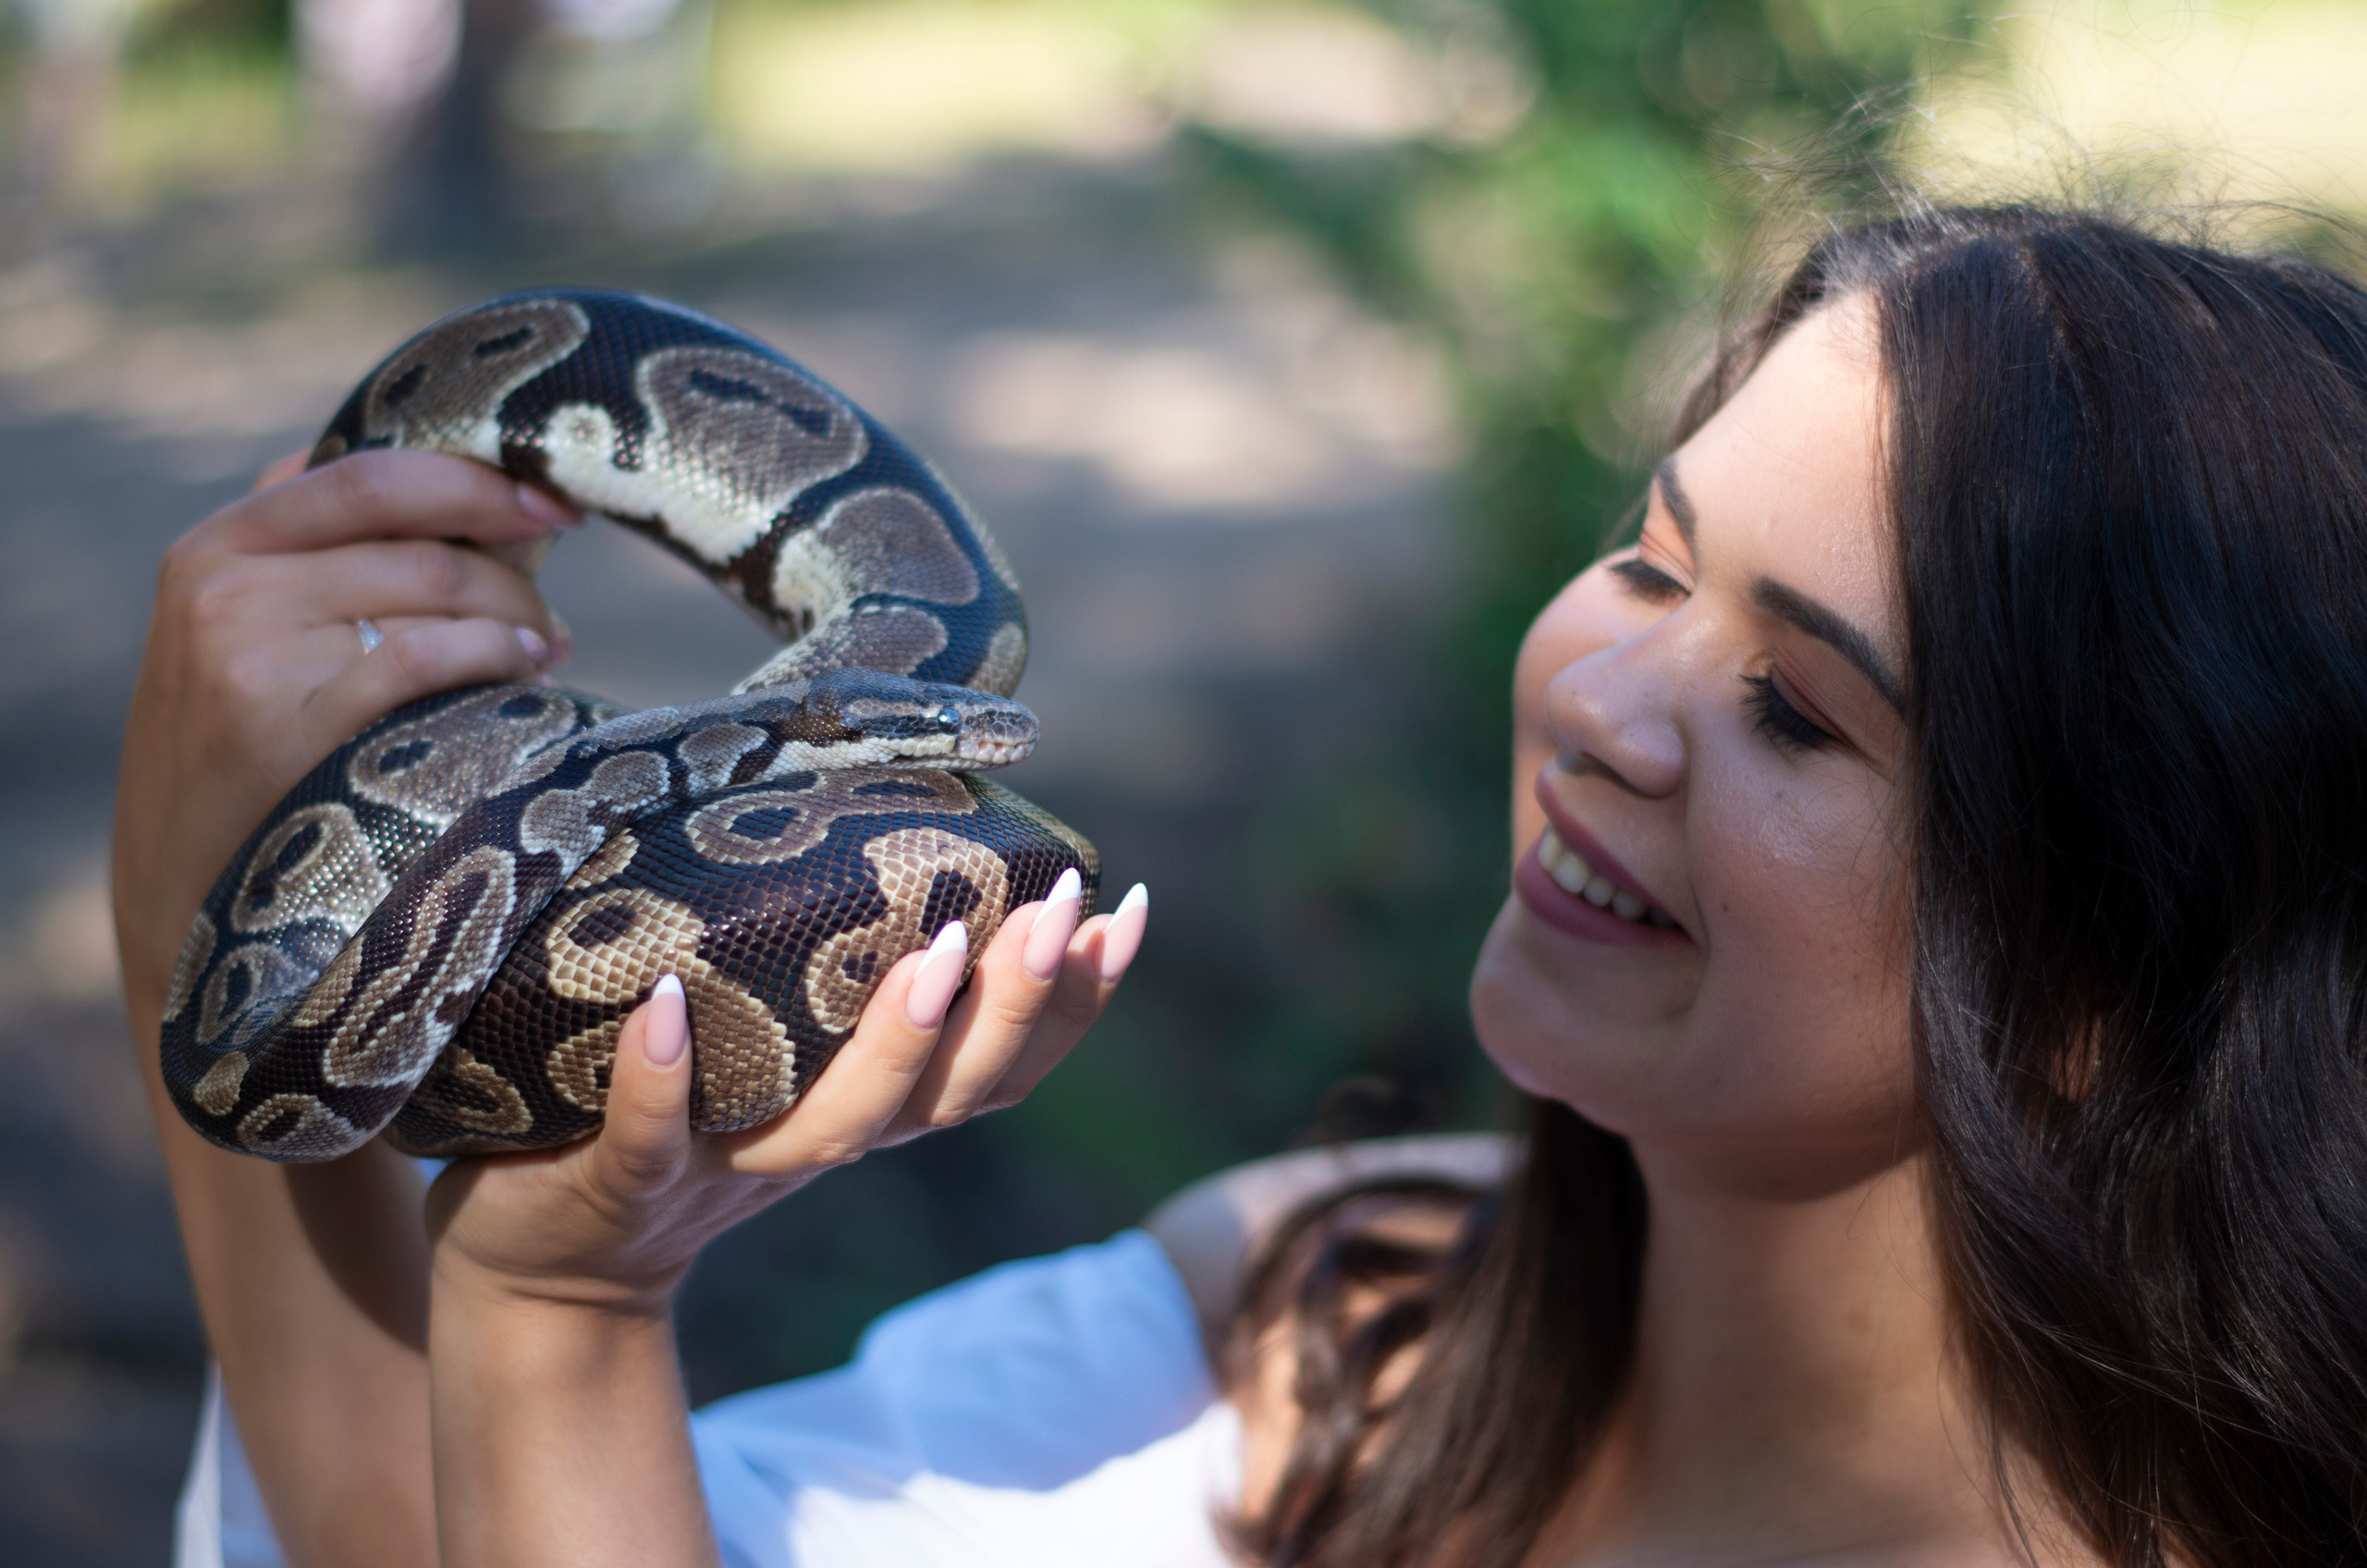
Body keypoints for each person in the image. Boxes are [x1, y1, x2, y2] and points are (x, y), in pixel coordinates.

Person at [121, 200, 2367, 1568]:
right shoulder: (1332, 1309)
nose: (1602, 700)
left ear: (2093, 974)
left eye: (1798, 706)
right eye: (1644, 556)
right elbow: (426, 1528)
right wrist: (208, 884)